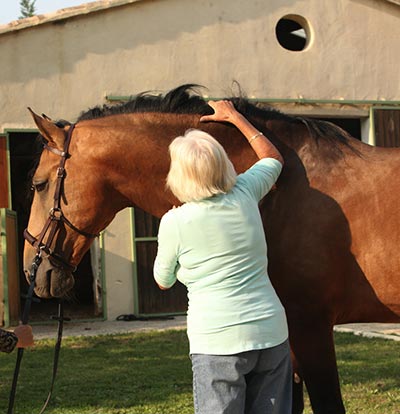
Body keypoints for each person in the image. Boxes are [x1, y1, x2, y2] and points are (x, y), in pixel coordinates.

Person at [153, 100, 292, 414]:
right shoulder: (245, 192)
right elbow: (273, 158)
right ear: (222, 163)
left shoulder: (174, 222)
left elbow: (162, 281)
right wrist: (236, 118)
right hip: (271, 331)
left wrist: (187, 271)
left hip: (216, 343)